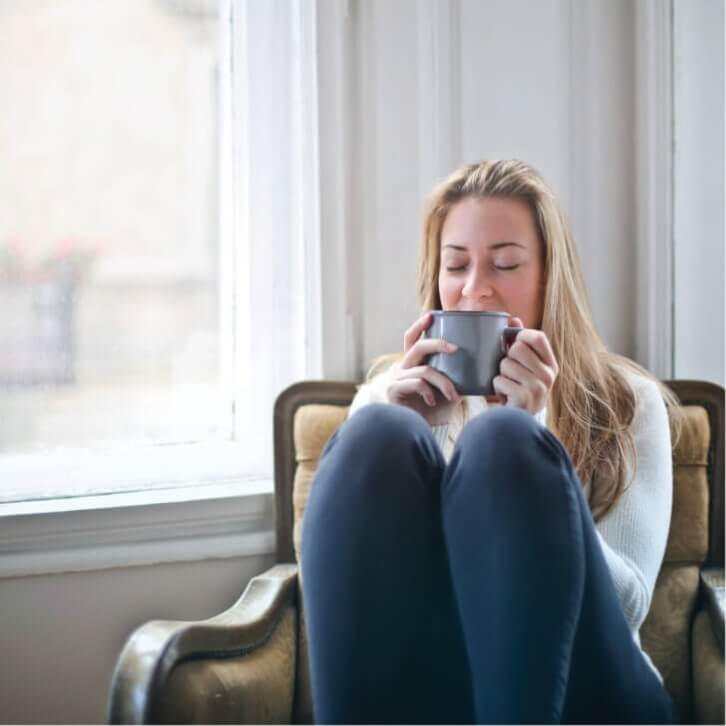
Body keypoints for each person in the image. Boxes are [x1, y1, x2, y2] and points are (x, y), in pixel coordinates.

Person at [300, 159, 681, 724]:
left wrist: (537, 433)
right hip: (440, 686)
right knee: (377, 432)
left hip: (595, 686)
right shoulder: (386, 397)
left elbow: (627, 608)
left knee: (503, 442)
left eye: (505, 264)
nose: (475, 291)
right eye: (456, 266)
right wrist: (420, 435)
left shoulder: (629, 401)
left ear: (551, 276)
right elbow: (337, 603)